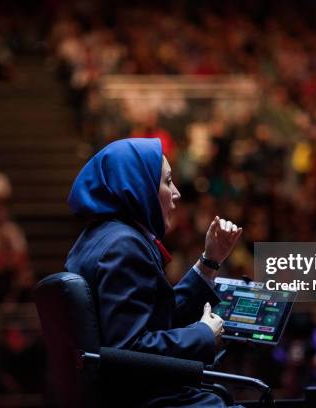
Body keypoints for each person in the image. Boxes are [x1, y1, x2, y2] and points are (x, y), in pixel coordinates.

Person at [65, 138, 244, 407]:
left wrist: (209, 262)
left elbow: (155, 318)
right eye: (167, 181)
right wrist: (204, 333)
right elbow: (131, 349)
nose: (176, 193)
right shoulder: (124, 246)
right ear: (139, 186)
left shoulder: (99, 238)